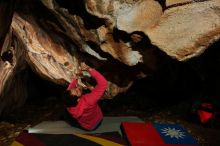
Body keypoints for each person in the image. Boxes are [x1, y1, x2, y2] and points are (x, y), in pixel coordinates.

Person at [64, 62, 108, 131]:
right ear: (78, 99)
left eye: (75, 88)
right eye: (77, 91)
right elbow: (103, 83)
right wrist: (89, 69)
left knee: (67, 115)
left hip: (87, 126)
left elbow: (69, 90)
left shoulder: (68, 103)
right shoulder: (89, 100)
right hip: (98, 121)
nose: (77, 88)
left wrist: (76, 79)